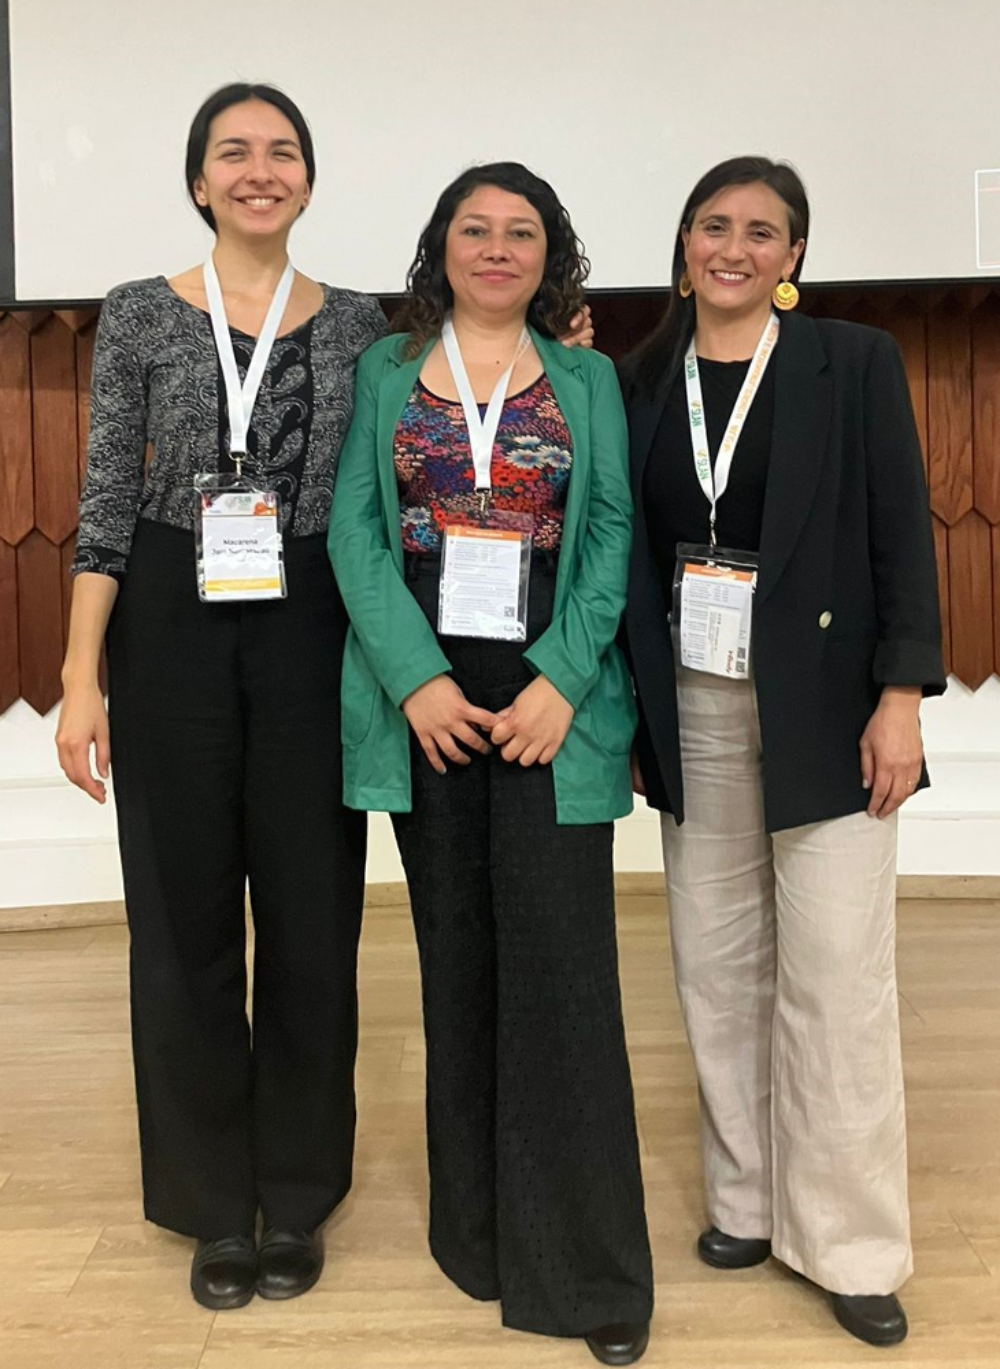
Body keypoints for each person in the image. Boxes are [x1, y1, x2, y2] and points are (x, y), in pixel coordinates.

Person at [56, 83, 387, 1310]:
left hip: (313, 620)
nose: (259, 169)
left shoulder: (362, 324)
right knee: (183, 920)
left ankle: (295, 1196)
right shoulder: (140, 314)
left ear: (309, 177)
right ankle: (211, 1206)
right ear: (199, 181)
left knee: (311, 920)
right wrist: (81, 677)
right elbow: (98, 505)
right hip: (169, 614)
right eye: (232, 153)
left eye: (282, 150)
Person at [328, 162, 653, 1365]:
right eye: (476, 229)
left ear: (550, 254)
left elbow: (612, 529)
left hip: (543, 691)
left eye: (522, 232)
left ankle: (588, 1273)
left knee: (564, 976)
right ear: (442, 247)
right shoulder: (381, 370)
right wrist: (414, 678)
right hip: (425, 693)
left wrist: (560, 682)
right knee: (455, 961)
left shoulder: (586, 375)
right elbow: (358, 532)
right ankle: (475, 1235)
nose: (498, 248)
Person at [618, 156, 945, 1347]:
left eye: (764, 231)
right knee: (716, 969)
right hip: (694, 706)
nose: (736, 248)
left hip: (828, 704)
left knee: (836, 980)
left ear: (794, 255)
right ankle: (746, 1202)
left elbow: (902, 532)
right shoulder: (639, 376)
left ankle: (849, 1243)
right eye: (716, 225)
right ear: (686, 240)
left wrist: (900, 696)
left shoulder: (852, 361)